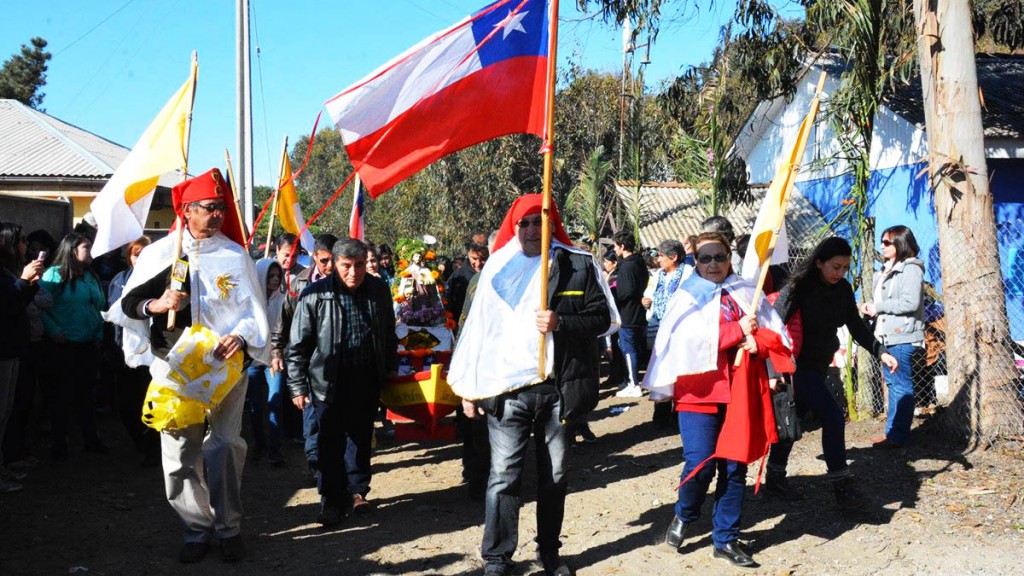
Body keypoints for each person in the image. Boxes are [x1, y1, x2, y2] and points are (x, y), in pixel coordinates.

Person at [449, 194, 617, 576]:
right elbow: (475, 334)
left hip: (558, 393)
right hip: (508, 395)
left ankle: (549, 552)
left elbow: (603, 319)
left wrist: (561, 322)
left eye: (539, 221)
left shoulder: (577, 264)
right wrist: (468, 388)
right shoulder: (495, 270)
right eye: (523, 222)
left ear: (552, 224)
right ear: (514, 225)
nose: (530, 230)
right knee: (503, 478)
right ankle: (497, 557)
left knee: (555, 477)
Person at [109, 168, 269, 564]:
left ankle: (229, 527)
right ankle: (196, 528)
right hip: (174, 368)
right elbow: (129, 305)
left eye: (220, 209)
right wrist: (157, 305)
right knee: (181, 453)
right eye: (208, 209)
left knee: (226, 445)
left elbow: (254, 310)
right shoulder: (161, 253)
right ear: (187, 211)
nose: (216, 216)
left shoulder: (235, 255)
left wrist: (243, 335)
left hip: (225, 367)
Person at [644, 232, 794, 568]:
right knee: (700, 464)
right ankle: (686, 512)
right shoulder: (686, 296)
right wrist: (737, 331)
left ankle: (725, 539)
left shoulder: (746, 292)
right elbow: (685, 344)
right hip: (699, 395)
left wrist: (761, 344)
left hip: (740, 394)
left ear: (730, 258)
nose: (713, 265)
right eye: (705, 258)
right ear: (694, 261)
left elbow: (777, 334)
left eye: (719, 257)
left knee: (733, 467)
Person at [765, 237, 898, 509]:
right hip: (797, 367)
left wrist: (880, 351)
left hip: (819, 364)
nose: (840, 273)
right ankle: (842, 484)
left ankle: (775, 477)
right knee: (834, 417)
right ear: (819, 262)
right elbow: (774, 323)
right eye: (835, 266)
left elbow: (856, 326)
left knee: (793, 421)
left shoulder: (843, 289)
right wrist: (773, 367)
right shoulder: (799, 287)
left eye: (845, 268)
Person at [286, 238, 397, 527]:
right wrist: (297, 387)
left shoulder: (378, 291)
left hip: (366, 379)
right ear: (334, 265)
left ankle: (358, 492)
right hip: (327, 382)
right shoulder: (313, 295)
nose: (354, 272)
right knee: (329, 443)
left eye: (359, 265)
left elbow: (387, 335)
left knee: (360, 440)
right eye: (346, 266)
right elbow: (297, 346)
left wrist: (389, 371)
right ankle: (332, 501)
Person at [274, 233, 338, 485]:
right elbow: (284, 320)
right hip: (307, 363)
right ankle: (315, 466)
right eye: (324, 261)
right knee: (310, 418)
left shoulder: (345, 281)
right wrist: (277, 351)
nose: (330, 266)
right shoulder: (298, 283)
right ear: (314, 257)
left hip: (335, 364)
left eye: (334, 260)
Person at [39, 232, 106, 460]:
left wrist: (99, 332)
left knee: (87, 395)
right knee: (62, 396)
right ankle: (59, 444)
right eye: (86, 247)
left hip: (89, 344)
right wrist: (54, 331)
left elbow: (99, 307)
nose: (91, 251)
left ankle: (91, 440)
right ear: (72, 251)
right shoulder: (54, 276)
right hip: (63, 345)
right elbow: (40, 306)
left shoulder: (90, 276)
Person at [859, 225, 925, 448]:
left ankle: (898, 436)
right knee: (892, 383)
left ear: (900, 243)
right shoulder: (885, 270)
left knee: (900, 386)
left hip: (902, 334)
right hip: (885, 334)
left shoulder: (910, 269)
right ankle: (891, 433)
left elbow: (910, 302)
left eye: (887, 242)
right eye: (881, 242)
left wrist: (879, 307)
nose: (882, 246)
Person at [107, 236, 160, 467]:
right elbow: (113, 314)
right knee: (127, 405)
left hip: (154, 353)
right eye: (135, 253)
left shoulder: (159, 278)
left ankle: (152, 449)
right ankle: (139, 441)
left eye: (144, 252)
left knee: (151, 402)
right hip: (125, 351)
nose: (140, 258)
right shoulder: (120, 280)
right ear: (128, 256)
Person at [0, 222, 45, 493]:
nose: (25, 247)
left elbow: (16, 304)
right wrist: (22, 282)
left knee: (6, 412)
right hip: (2, 351)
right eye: (22, 241)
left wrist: (28, 285)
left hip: (13, 349)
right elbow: (5, 306)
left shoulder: (8, 272)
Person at [643, 239, 688, 430]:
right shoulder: (658, 275)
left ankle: (678, 414)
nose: (658, 260)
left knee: (678, 373)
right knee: (659, 369)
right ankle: (660, 415)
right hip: (658, 328)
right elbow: (651, 293)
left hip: (679, 330)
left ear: (674, 257)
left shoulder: (688, 274)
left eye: (661, 256)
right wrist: (647, 300)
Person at [246, 258, 287, 466]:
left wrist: (276, 354)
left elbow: (282, 330)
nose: (274, 280)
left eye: (278, 276)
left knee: (275, 401)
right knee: (255, 405)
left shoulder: (283, 300)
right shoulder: (251, 301)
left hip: (274, 360)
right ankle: (259, 445)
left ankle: (274, 448)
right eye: (270, 276)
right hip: (253, 360)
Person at [611, 231, 647, 398]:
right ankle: (631, 381)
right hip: (637, 312)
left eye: (615, 246)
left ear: (622, 246)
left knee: (628, 349)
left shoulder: (627, 266)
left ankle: (634, 383)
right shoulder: (639, 263)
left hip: (628, 314)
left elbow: (625, 291)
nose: (614, 249)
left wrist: (612, 295)